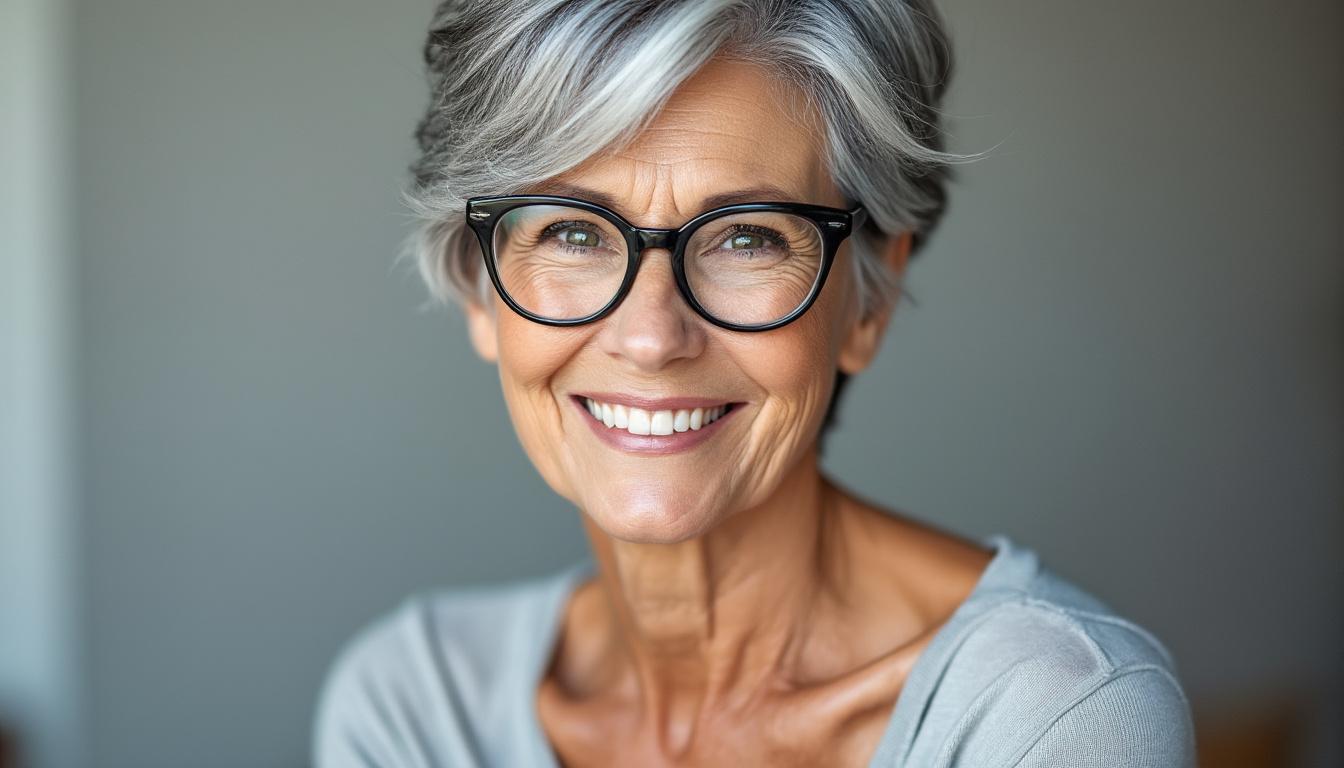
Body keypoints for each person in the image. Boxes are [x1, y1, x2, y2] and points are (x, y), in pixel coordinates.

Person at [313, 1, 1197, 765]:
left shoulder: (1053, 718)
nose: (653, 335)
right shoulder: (415, 711)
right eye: (573, 233)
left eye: (747, 237)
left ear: (866, 303)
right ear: (479, 288)